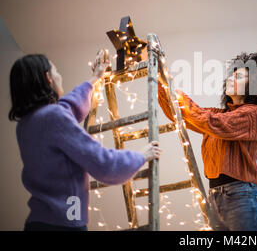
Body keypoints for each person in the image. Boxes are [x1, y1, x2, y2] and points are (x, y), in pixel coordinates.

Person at [8, 50, 161, 231]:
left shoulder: (26, 125)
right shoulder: (54, 117)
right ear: (48, 78)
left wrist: (95, 78)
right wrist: (141, 155)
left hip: (37, 222)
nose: (60, 76)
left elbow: (67, 107)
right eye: (56, 71)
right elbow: (103, 164)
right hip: (65, 224)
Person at [157, 50, 257, 231]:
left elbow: (209, 121)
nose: (230, 80)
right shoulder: (221, 114)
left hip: (241, 197)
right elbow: (177, 113)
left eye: (239, 77)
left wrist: (174, 92)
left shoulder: (254, 113)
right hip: (215, 198)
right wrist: (158, 75)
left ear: (254, 86)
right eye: (231, 77)